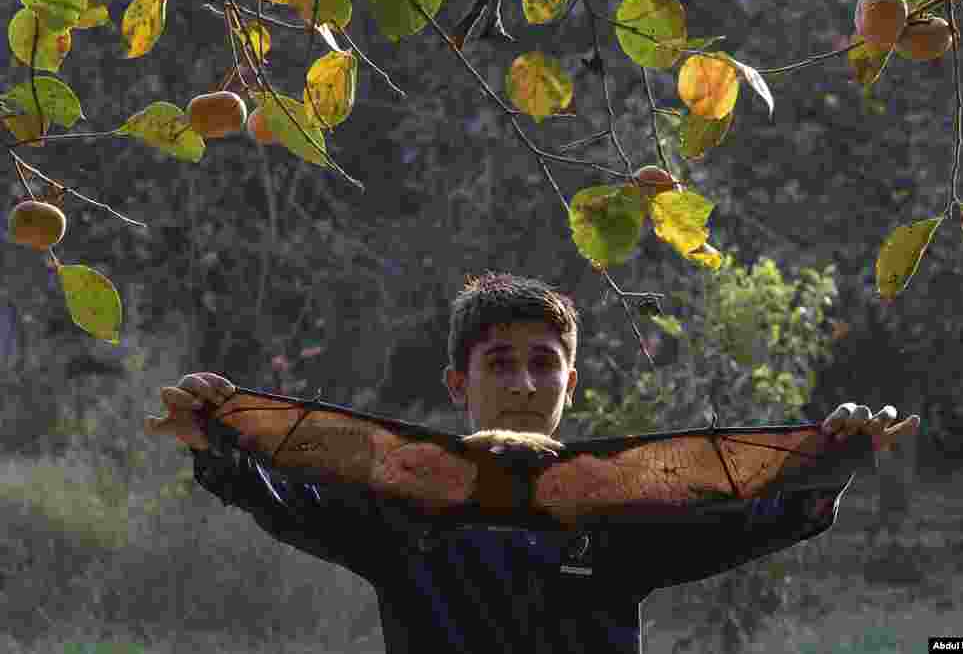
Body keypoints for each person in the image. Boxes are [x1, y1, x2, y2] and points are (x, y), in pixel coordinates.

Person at [145, 271, 919, 654]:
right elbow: (288, 500)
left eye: (544, 364)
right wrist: (219, 440)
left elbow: (747, 521)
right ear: (459, 383)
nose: (523, 381)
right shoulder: (405, 500)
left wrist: (831, 459)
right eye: (500, 362)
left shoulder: (614, 503)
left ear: (570, 383)